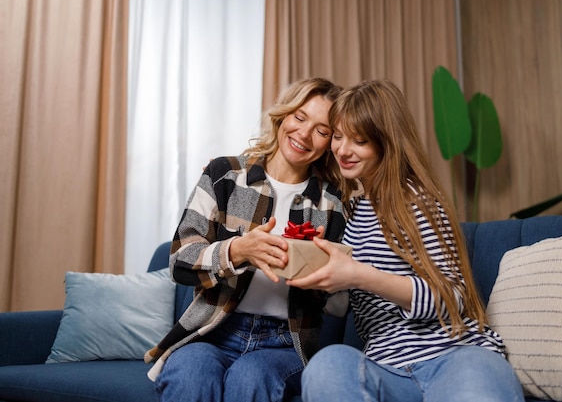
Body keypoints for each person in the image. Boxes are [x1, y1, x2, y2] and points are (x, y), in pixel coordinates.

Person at [288, 79, 524, 402]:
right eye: (338, 136)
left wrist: (359, 274)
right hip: (385, 369)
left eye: (359, 140)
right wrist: (313, 269)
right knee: (326, 366)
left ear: (386, 143)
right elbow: (342, 304)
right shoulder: (352, 214)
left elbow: (449, 296)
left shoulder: (418, 201)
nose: (343, 150)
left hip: (454, 358)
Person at [145, 77, 347, 402]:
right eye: (299, 117)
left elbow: (339, 304)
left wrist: (316, 275)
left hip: (284, 342)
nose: (305, 134)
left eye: (322, 131)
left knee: (250, 377)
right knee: (190, 374)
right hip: (212, 331)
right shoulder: (223, 175)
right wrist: (237, 250)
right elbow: (180, 262)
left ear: (331, 143)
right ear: (282, 116)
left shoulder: (332, 203)